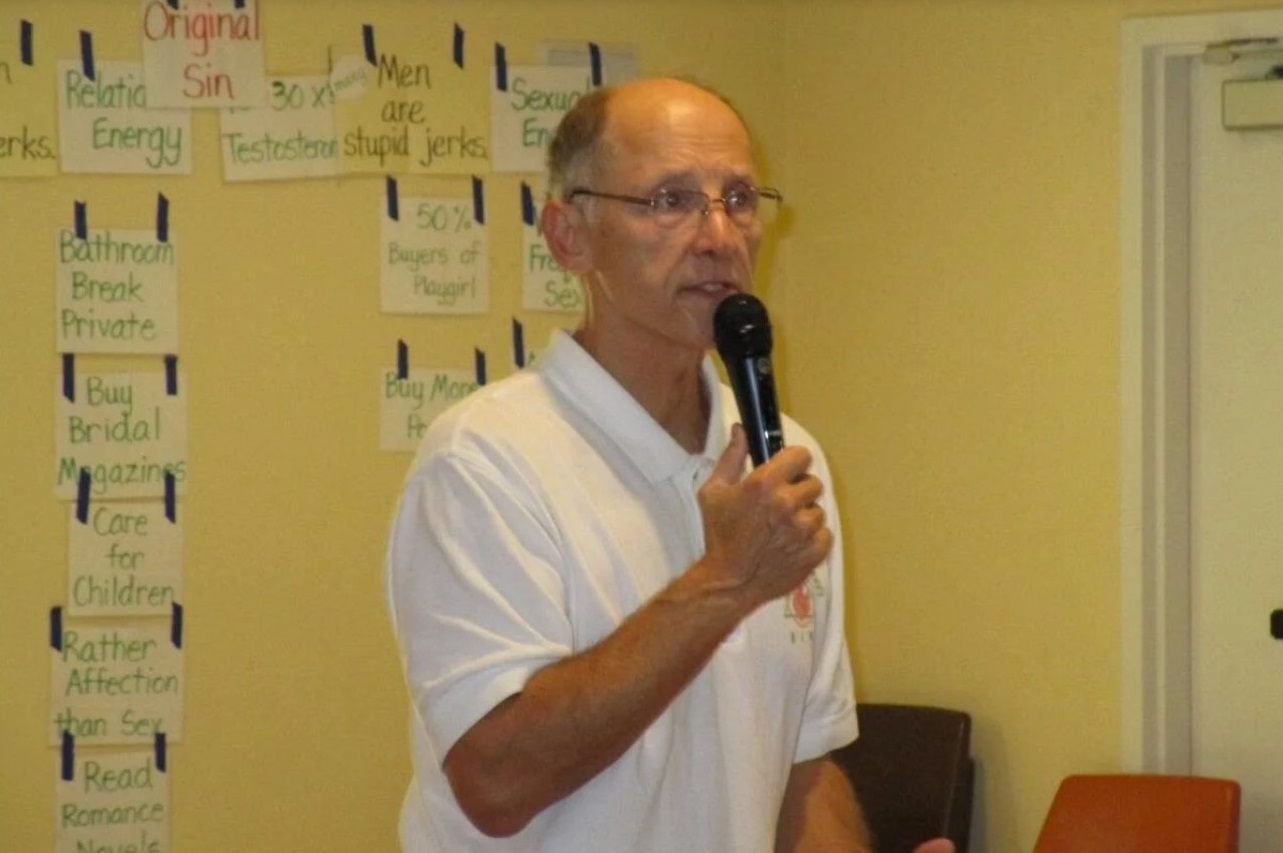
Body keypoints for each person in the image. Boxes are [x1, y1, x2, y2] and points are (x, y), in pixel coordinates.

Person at [385, 76, 956, 853]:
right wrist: (722, 582)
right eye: (669, 200)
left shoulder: (785, 458)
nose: (719, 235)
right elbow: (496, 782)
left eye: (740, 198)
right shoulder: (485, 460)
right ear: (567, 235)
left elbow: (796, 765)